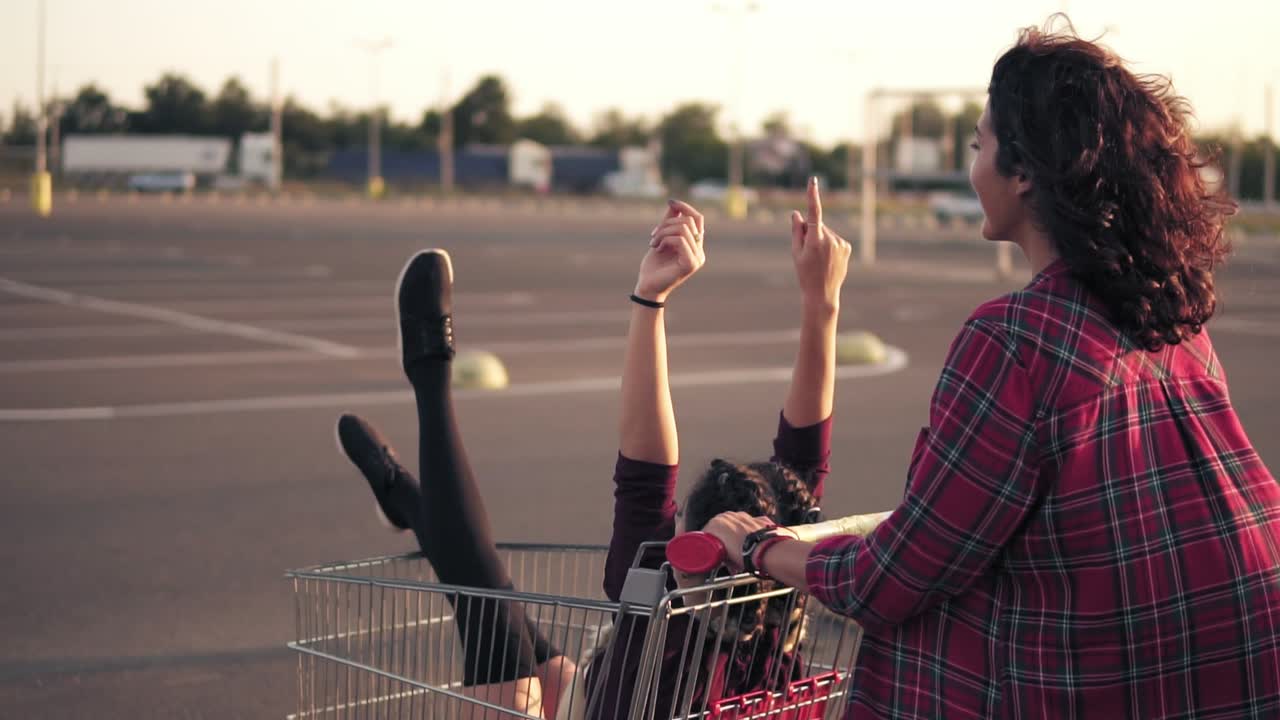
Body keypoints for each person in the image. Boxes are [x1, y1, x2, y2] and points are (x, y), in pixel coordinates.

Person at [699, 19, 1280, 720]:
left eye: (980, 145)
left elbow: (894, 579)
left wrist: (758, 546)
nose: (973, 167)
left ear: (1025, 170)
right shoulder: (1169, 318)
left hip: (1109, 683)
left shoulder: (1014, 340)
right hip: (1233, 653)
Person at [336, 187, 853, 718]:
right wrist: (821, 303)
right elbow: (800, 468)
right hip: (598, 697)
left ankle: (429, 379)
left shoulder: (658, 606)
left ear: (687, 554)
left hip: (611, 697)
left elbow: (648, 471)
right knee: (528, 643)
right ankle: (406, 499)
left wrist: (652, 300)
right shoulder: (782, 619)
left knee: (497, 638)